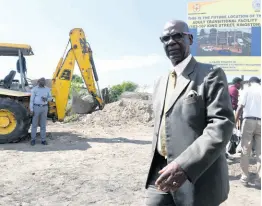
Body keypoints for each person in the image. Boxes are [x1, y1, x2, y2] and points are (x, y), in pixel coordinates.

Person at [145, 20, 235, 206]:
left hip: (196, 175)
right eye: (165, 38)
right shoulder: (160, 82)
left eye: (177, 36)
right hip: (161, 171)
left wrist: (184, 165)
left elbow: (221, 125)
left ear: (190, 39)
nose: (171, 42)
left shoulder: (210, 74)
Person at [235, 77, 261, 187]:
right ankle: (259, 180)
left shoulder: (247, 90)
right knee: (260, 152)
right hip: (261, 121)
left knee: (245, 150)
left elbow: (240, 107)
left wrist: (234, 122)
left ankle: (245, 178)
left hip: (248, 121)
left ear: (250, 82)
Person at [29, 77, 53, 146]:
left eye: (44, 81)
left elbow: (51, 98)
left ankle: (43, 140)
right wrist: (31, 110)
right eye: (42, 81)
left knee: (43, 125)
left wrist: (46, 99)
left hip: (44, 108)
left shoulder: (47, 89)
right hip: (36, 107)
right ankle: (33, 140)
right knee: (34, 124)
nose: (43, 82)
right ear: (38, 82)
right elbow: (31, 100)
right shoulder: (34, 89)